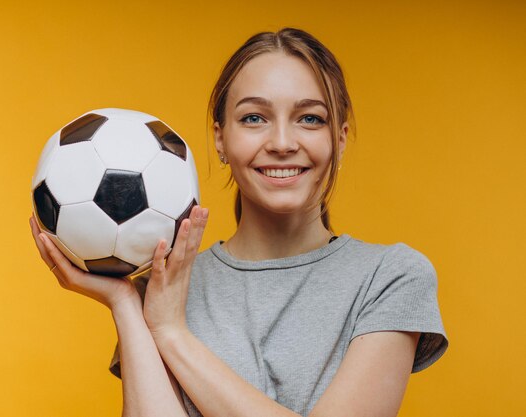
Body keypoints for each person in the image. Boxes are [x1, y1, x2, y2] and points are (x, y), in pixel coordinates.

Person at [29, 27, 448, 417]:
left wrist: (172, 333)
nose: (283, 143)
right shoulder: (162, 284)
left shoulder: (391, 277)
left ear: (338, 139)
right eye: (254, 118)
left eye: (309, 118)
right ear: (220, 139)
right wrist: (125, 304)